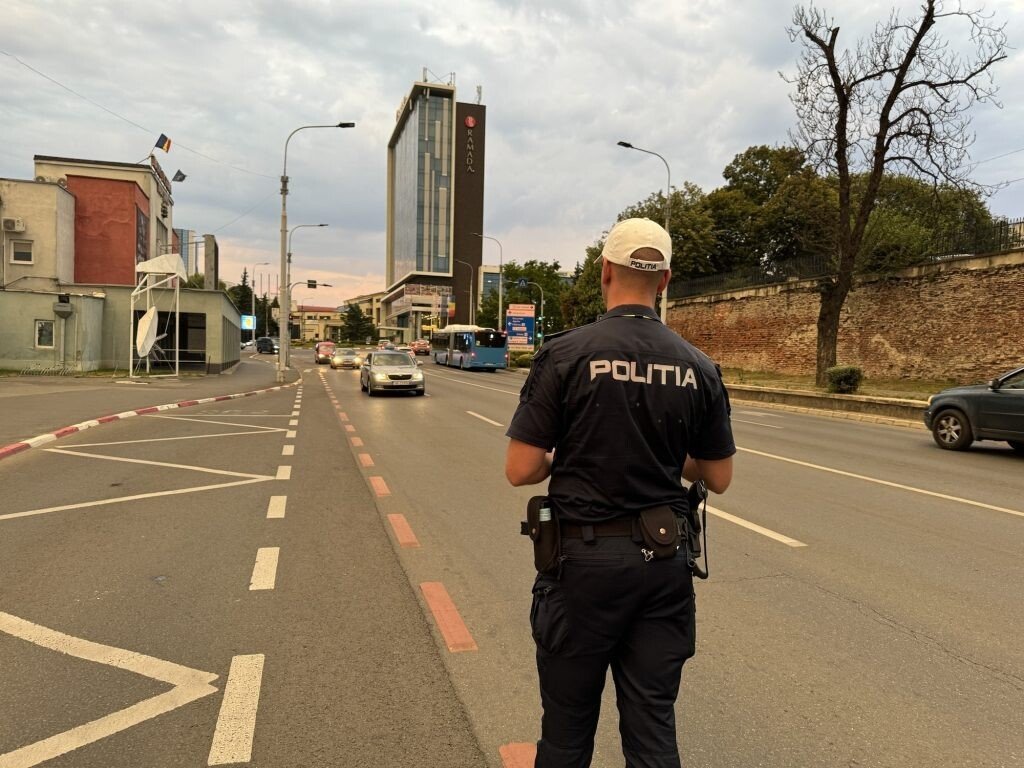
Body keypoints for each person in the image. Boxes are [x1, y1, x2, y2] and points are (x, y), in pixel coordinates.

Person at [505, 217, 735, 768]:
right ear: (665, 280)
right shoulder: (699, 367)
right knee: (653, 730)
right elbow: (718, 476)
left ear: (605, 271)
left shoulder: (565, 354)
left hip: (580, 569)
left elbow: (521, 468)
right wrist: (663, 457)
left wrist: (569, 457)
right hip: (663, 565)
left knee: (566, 735)